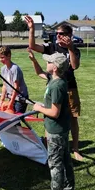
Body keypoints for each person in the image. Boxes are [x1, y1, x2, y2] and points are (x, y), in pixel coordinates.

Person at [25, 16, 84, 161]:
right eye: (57, 33)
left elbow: (74, 66)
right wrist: (32, 29)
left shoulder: (75, 50)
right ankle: (49, 146)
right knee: (50, 116)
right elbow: (33, 46)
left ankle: (75, 148)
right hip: (53, 87)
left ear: (69, 35)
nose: (57, 36)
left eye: (61, 33)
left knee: (72, 119)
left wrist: (70, 48)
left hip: (70, 87)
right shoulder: (52, 47)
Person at [33, 52, 75, 190]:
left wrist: (39, 108)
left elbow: (54, 113)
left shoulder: (57, 86)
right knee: (65, 160)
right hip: (61, 129)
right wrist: (33, 60)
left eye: (49, 61)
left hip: (56, 131)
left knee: (56, 164)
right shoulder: (57, 80)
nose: (47, 63)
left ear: (55, 67)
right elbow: (39, 73)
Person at [0, 46, 29, 113]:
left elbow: (16, 87)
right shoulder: (3, 69)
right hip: (11, 96)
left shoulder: (15, 69)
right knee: (9, 116)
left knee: (16, 118)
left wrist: (11, 103)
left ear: (9, 56)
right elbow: (4, 85)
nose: (0, 60)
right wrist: (2, 99)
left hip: (20, 97)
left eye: (2, 57)